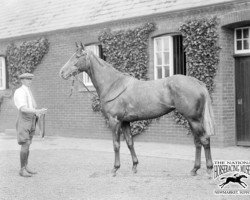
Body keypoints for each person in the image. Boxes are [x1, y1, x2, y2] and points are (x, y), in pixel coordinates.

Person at [13, 73, 47, 177]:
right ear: (22, 80)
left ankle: (26, 166)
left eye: (30, 79)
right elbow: (23, 108)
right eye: (27, 79)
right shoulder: (19, 92)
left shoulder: (28, 91)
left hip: (31, 119)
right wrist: (37, 110)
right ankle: (22, 169)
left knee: (28, 144)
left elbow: (33, 106)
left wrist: (38, 112)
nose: (30, 81)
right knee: (25, 144)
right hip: (24, 120)